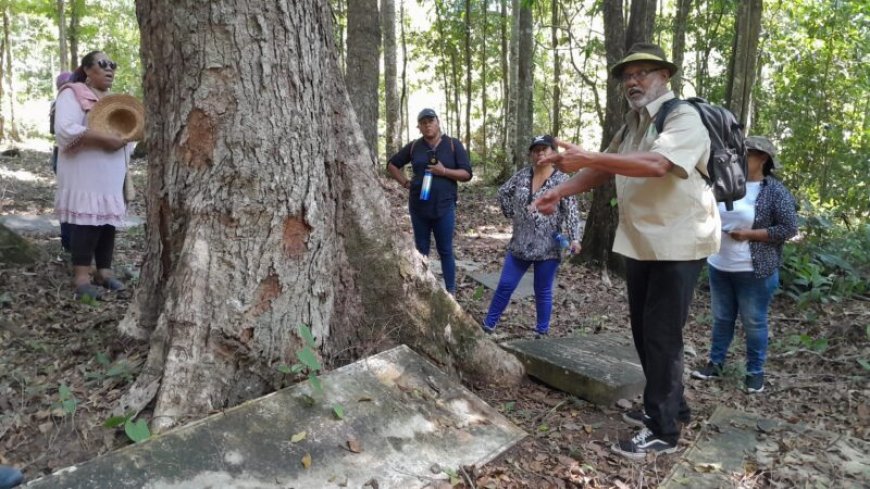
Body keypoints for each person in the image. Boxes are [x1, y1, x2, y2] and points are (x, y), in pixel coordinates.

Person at [532, 43, 720, 459]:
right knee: (643, 331)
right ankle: (673, 405)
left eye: (643, 73)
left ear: (664, 76)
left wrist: (592, 155)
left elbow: (657, 165)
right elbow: (604, 168)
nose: (633, 82)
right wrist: (559, 190)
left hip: (679, 242)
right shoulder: (634, 122)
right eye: (628, 76)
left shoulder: (684, 117)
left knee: (661, 336)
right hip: (641, 241)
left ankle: (663, 431)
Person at [692, 136, 797, 393]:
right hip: (720, 264)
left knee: (754, 321)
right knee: (722, 318)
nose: (738, 158)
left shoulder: (774, 190)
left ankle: (755, 373)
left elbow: (789, 228)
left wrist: (749, 234)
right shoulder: (725, 184)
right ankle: (715, 364)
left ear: (762, 159)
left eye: (745, 154)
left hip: (754, 270)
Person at [482, 135, 580, 337]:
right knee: (505, 285)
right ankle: (487, 325)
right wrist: (511, 212)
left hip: (548, 246)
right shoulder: (522, 175)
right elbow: (502, 192)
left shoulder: (561, 180)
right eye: (536, 150)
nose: (540, 153)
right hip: (520, 243)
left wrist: (575, 237)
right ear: (531, 154)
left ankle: (541, 333)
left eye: (545, 149)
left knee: (542, 290)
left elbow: (571, 210)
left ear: (554, 153)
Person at [54, 51, 129, 300]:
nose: (110, 69)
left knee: (107, 222)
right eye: (103, 64)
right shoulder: (72, 93)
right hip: (84, 171)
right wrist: (103, 138)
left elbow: (129, 132)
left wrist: (124, 139)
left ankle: (104, 272)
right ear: (87, 69)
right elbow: (65, 129)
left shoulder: (116, 101)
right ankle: (82, 276)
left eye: (113, 65)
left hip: (111, 171)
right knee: (87, 221)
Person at [387, 109, 472, 295]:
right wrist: (405, 183)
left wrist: (444, 171)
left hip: (444, 206)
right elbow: (392, 165)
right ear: (419, 127)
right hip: (419, 207)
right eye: (423, 122)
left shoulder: (452, 144)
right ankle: (424, 290)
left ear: (437, 122)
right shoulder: (414, 147)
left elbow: (467, 174)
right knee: (421, 249)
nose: (427, 125)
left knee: (446, 250)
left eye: (430, 121)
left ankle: (451, 292)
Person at [50, 71, 74, 251]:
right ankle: (68, 242)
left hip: (63, 154)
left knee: (70, 198)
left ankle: (69, 242)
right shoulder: (63, 103)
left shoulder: (58, 103)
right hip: (66, 154)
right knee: (70, 198)